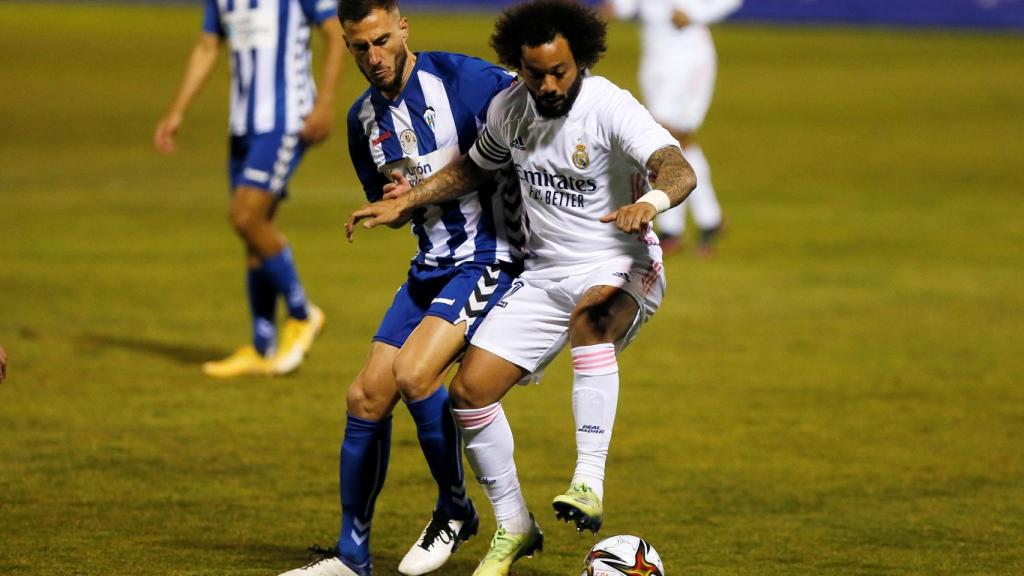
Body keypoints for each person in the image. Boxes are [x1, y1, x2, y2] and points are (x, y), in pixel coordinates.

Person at [347, 1, 696, 574]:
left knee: (592, 320)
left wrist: (648, 202)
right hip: (542, 273)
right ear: (520, 66)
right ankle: (513, 526)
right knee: (468, 392)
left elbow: (678, 168)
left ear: (580, 60)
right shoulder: (512, 108)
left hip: (620, 262)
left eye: (560, 71)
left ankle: (587, 482)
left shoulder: (610, 106)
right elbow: (474, 168)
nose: (549, 83)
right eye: (536, 72)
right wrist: (408, 200)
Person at [278, 1, 524, 575]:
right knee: (365, 397)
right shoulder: (362, 120)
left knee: (416, 374)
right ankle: (352, 559)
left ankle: (455, 508)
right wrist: (394, 209)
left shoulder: (468, 82)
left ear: (403, 27)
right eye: (359, 47)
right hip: (431, 265)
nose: (374, 56)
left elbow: (543, 115)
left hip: (489, 256)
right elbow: (396, 193)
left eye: (382, 40)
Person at [154, 0, 346, 377]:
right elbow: (208, 45)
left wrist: (325, 102)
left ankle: (302, 313)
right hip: (243, 124)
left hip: (287, 117)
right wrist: (177, 111)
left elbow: (335, 34)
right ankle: (263, 348)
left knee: (245, 216)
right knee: (254, 231)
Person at [605, 0, 741, 256]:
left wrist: (694, 13)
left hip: (689, 57)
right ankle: (709, 220)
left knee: (667, 135)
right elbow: (625, 6)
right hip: (654, 58)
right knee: (678, 140)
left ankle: (672, 229)